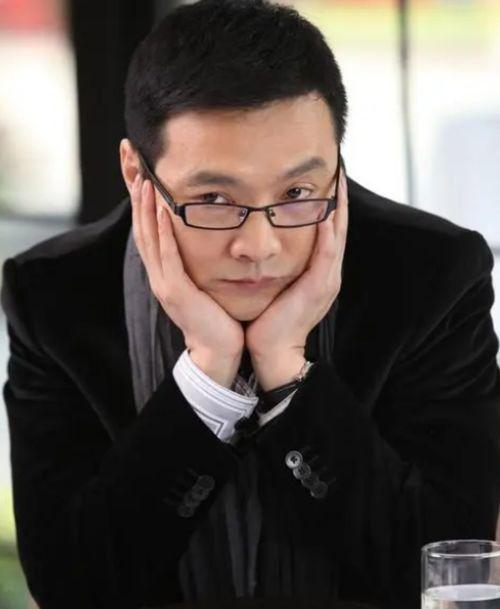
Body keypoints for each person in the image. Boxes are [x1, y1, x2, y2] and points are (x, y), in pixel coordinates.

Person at [1, 1, 499, 608]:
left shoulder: (433, 277)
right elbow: (74, 588)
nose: (259, 247)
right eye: (214, 198)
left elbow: (446, 573)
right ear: (137, 173)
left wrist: (287, 372)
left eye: (297, 191)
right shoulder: (54, 296)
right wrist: (206, 378)